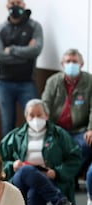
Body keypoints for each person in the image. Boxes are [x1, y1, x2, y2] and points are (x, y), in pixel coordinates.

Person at [0, 99, 82, 205]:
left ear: (47, 115)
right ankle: (60, 202)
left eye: (39, 114)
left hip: (48, 180)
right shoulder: (14, 136)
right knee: (27, 170)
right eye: (31, 115)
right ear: (26, 117)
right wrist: (11, 165)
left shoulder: (59, 134)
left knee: (35, 192)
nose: (35, 118)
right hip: (18, 181)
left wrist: (56, 172)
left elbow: (75, 157)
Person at [41, 48, 92, 185]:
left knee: (85, 145)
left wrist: (90, 128)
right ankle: (62, 178)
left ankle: (68, 177)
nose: (71, 64)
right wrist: (44, 124)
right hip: (57, 128)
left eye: (74, 61)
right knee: (50, 146)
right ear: (62, 64)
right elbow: (45, 103)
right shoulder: (53, 81)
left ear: (81, 64)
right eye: (68, 61)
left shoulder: (89, 81)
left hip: (80, 129)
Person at [0, 0, 43, 137]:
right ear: (7, 5)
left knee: (35, 121)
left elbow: (36, 50)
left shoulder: (34, 27)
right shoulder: (0, 29)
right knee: (7, 124)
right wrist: (25, 54)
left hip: (27, 82)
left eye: (19, 2)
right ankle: (8, 157)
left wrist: (11, 50)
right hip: (3, 82)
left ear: (24, 5)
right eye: (12, 2)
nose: (15, 5)